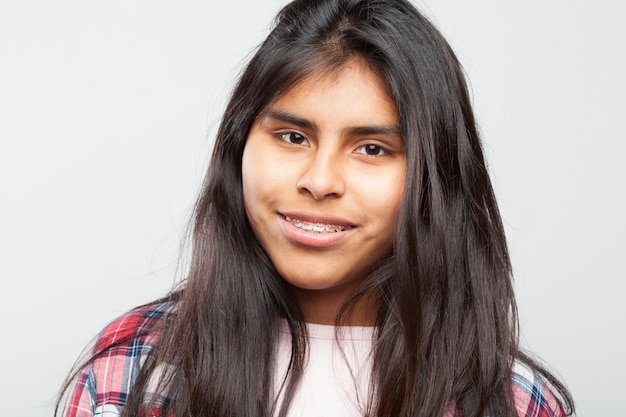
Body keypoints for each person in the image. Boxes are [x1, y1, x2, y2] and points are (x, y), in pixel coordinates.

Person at [56, 0, 575, 416]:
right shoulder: (132, 370)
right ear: (239, 147)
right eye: (292, 136)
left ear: (431, 177)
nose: (319, 180)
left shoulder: (512, 402)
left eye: (372, 148)